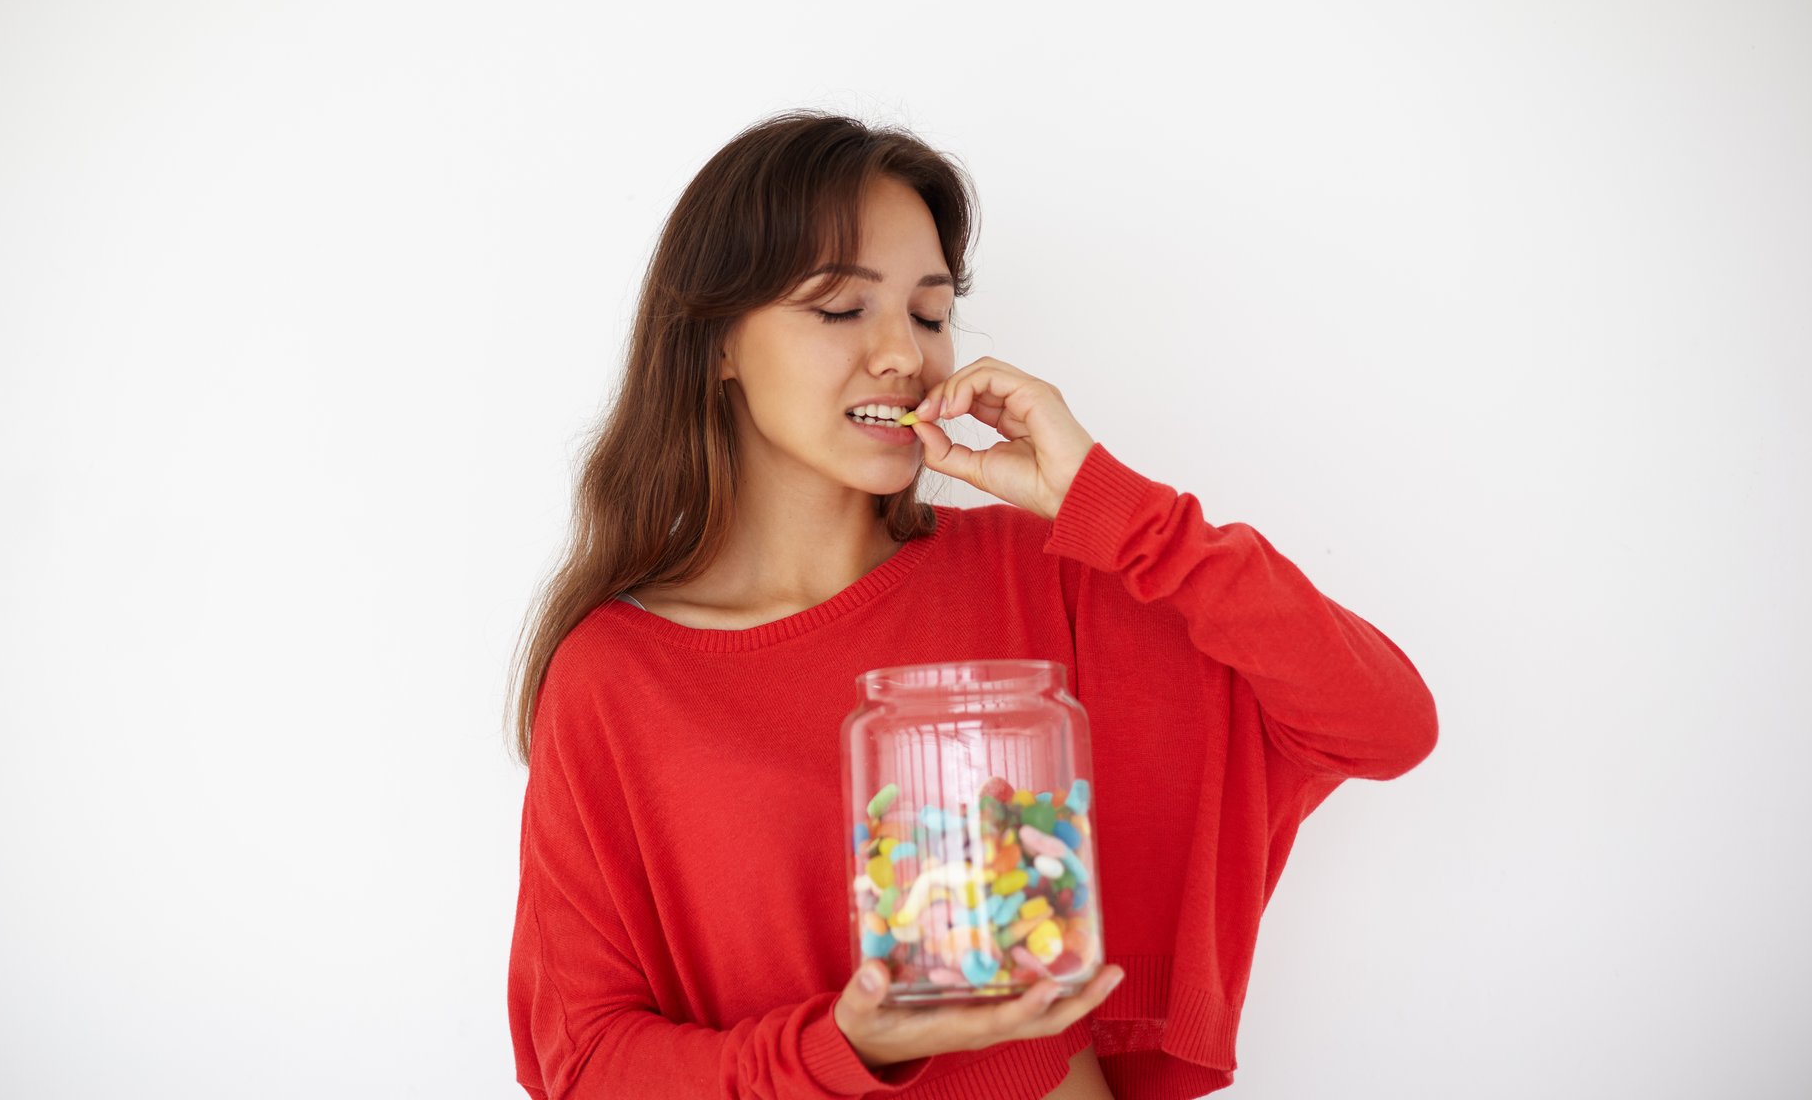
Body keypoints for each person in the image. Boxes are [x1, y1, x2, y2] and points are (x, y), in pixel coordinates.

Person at [504, 110, 1439, 1100]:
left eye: (929, 313)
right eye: (841, 308)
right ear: (717, 342)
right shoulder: (617, 674)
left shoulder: (1043, 573)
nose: (902, 354)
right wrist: (845, 1045)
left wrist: (1111, 506)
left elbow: (1383, 724)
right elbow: (584, 1062)